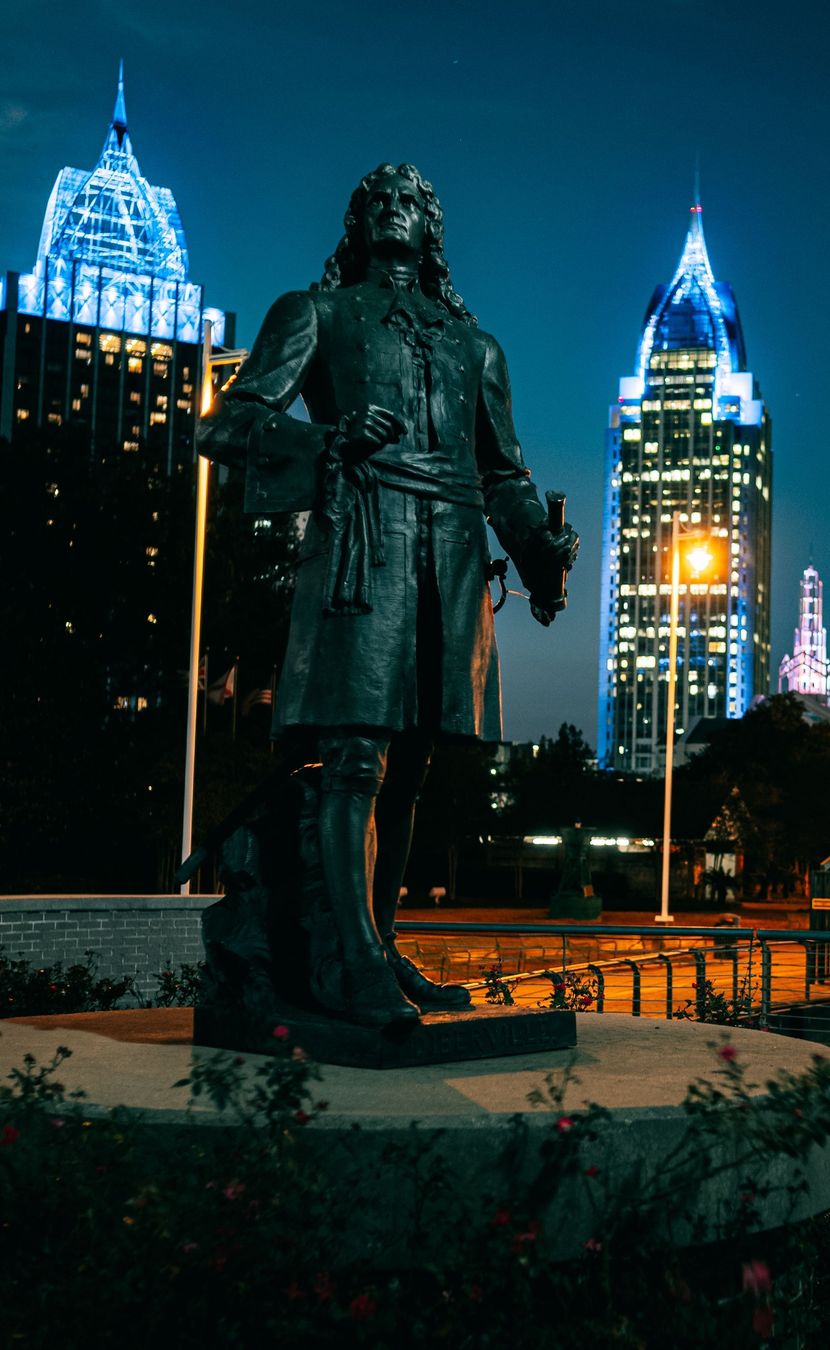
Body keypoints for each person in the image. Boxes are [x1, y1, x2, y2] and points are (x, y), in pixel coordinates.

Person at [194, 164, 580, 1028]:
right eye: (377, 199)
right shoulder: (316, 313)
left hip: (450, 555)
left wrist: (539, 545)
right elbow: (224, 424)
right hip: (363, 543)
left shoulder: (477, 347)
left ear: (432, 226)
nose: (392, 209)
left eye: (409, 200)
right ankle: (354, 961)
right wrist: (328, 436)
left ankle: (379, 945)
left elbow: (505, 474)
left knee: (412, 768)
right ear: (357, 222)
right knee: (357, 760)